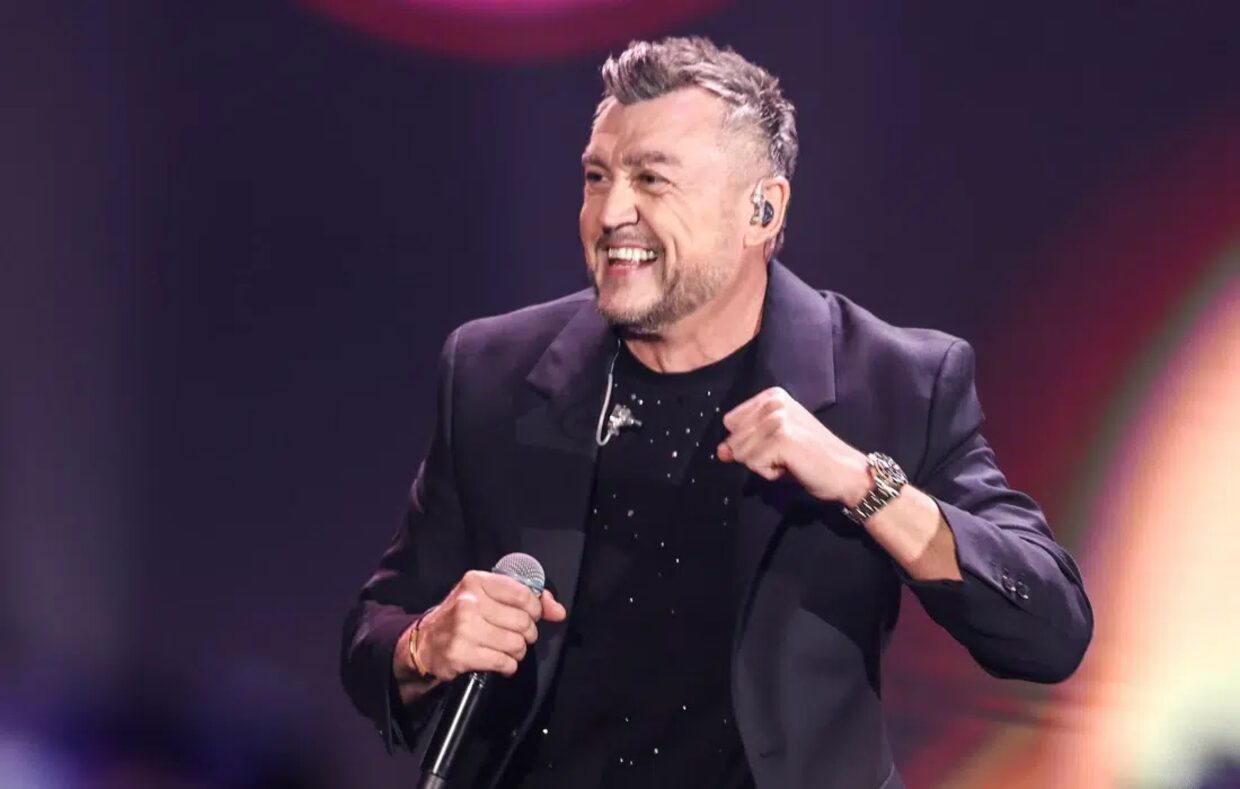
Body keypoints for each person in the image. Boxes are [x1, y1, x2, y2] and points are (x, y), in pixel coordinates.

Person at [340, 36, 1093, 789]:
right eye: (597, 177)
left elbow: (1048, 629)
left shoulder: (893, 384)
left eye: (652, 179)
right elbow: (375, 630)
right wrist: (423, 646)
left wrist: (866, 485)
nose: (611, 212)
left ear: (761, 209)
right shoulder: (493, 371)